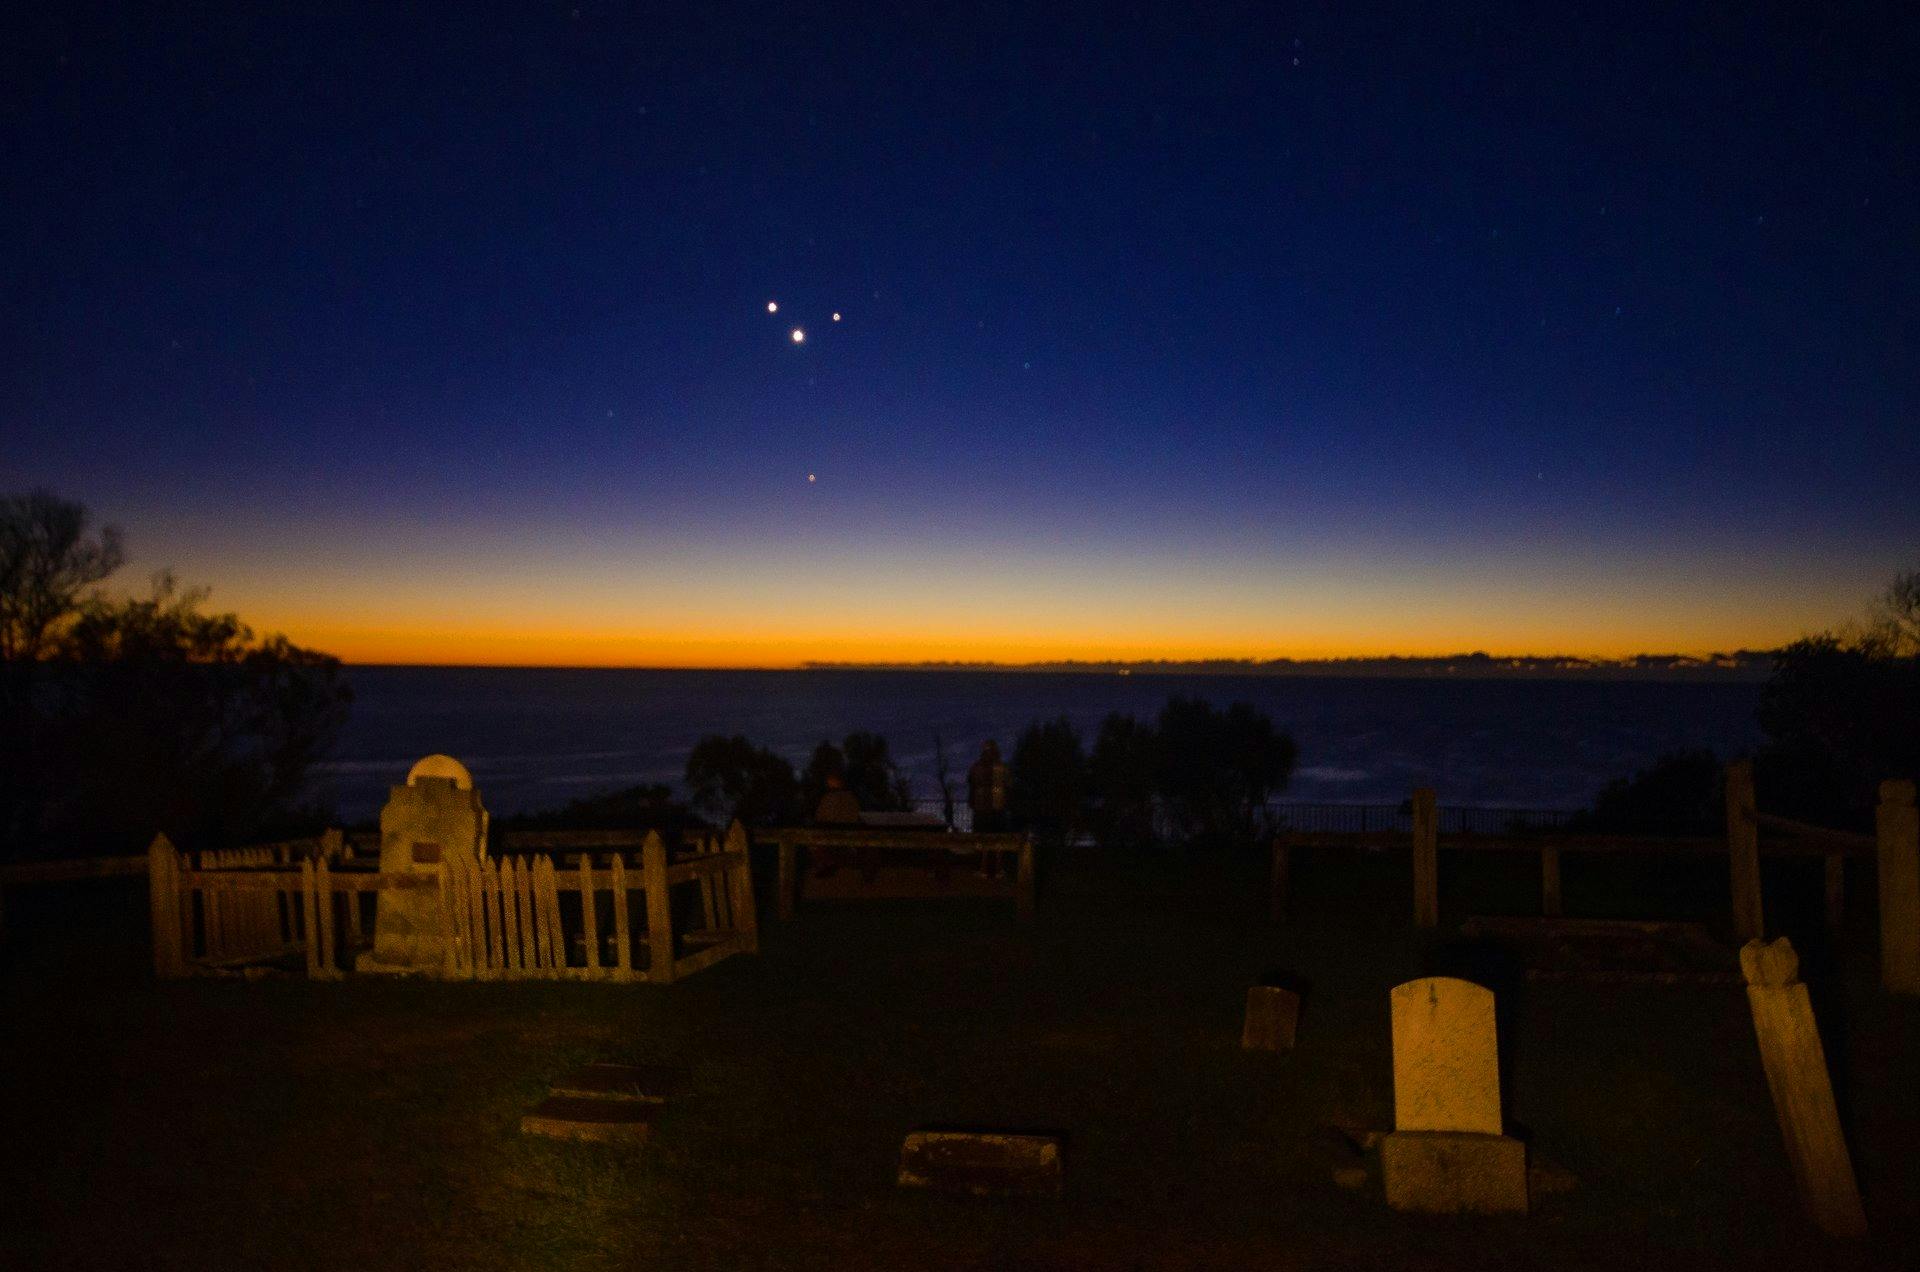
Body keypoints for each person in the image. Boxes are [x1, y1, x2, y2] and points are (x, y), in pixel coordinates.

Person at [967, 740, 1009, 833]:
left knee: (990, 835)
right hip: (984, 808)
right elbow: (972, 785)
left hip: (993, 808)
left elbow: (971, 785)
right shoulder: (1003, 767)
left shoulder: (1001, 767)